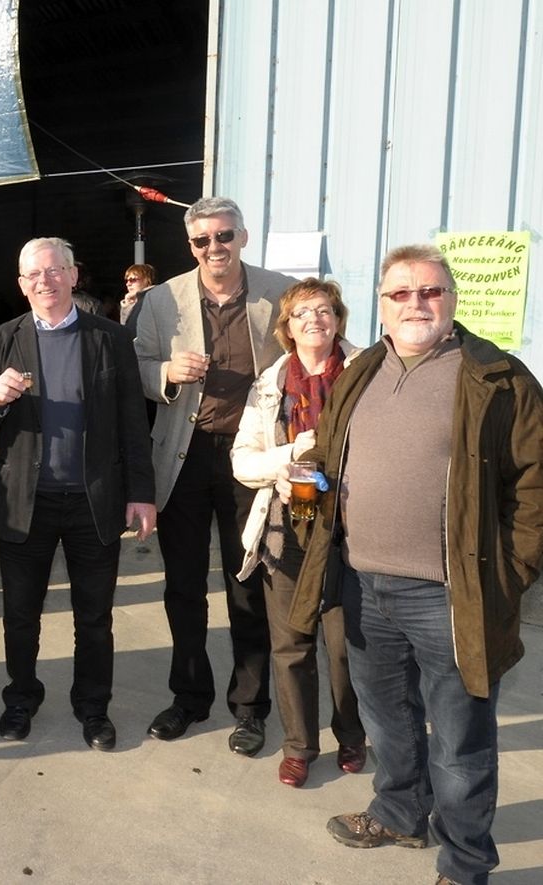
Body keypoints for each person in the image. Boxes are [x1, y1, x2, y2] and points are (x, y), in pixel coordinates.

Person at [281, 245, 543, 885]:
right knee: (386, 720)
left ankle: (465, 862)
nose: (415, 303)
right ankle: (400, 813)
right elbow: (329, 450)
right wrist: (304, 481)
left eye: (430, 291)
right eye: (400, 293)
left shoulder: (498, 378)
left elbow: (534, 488)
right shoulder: (363, 369)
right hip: (362, 583)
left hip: (451, 595)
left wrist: (506, 575)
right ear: (381, 305)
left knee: (459, 740)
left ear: (452, 299)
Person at [0, 236, 155, 751]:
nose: (45, 281)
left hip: (92, 501)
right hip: (24, 500)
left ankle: (93, 707)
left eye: (55, 270)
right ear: (21, 284)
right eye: (34, 274)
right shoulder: (3, 338)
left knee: (94, 617)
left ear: (74, 276)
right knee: (20, 615)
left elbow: (132, 422)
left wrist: (142, 493)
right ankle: (21, 698)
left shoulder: (110, 338)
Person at [134, 196, 293, 756]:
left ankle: (250, 708)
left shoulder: (280, 293)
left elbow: (312, 354)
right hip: (185, 455)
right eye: (202, 240)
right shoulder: (160, 299)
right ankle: (189, 697)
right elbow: (135, 365)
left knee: (247, 586)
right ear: (190, 246)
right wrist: (166, 372)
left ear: (243, 237)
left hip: (249, 459)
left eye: (224, 236)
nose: (214, 248)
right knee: (183, 587)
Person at [230, 278, 364, 788]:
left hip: (350, 528)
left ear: (338, 319)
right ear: (287, 327)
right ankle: (299, 747)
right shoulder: (269, 384)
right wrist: (289, 458)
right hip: (286, 530)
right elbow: (242, 461)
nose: (314, 319)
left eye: (324, 310)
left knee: (346, 647)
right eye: (302, 313)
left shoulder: (366, 372)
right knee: (290, 645)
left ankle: (352, 735)